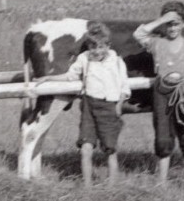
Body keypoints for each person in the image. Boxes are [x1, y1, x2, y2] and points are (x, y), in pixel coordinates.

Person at [134, 1, 184, 188]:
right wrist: (162, 19)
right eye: (169, 24)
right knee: (163, 137)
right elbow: (139, 34)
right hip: (162, 94)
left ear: (183, 24)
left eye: (176, 23)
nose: (172, 28)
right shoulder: (156, 43)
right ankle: (162, 183)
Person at [40, 22, 130, 187]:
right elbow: (70, 76)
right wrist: (48, 78)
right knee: (86, 148)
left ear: (108, 45)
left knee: (110, 150)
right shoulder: (84, 59)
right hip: (89, 107)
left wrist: (119, 105)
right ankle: (87, 189)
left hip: (109, 107)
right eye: (93, 46)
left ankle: (112, 189)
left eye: (101, 46)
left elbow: (124, 86)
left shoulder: (116, 61)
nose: (97, 51)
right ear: (88, 46)